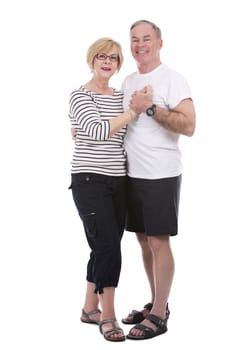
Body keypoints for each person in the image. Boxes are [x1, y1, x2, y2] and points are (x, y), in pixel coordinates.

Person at [120, 20, 196, 340]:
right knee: (141, 239)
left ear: (160, 43)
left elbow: (189, 125)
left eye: (147, 39)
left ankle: (160, 313)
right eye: (135, 39)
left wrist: (150, 108)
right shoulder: (128, 80)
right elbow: (125, 121)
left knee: (157, 241)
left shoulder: (172, 80)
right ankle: (156, 304)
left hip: (160, 174)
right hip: (131, 173)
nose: (140, 44)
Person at [68, 37, 139, 342]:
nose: (107, 62)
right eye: (102, 57)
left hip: (118, 180)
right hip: (89, 180)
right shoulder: (80, 95)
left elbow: (127, 133)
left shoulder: (122, 97)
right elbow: (97, 132)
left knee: (103, 246)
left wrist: (135, 110)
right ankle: (107, 316)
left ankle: (88, 308)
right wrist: (132, 112)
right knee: (109, 247)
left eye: (113, 58)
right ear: (92, 59)